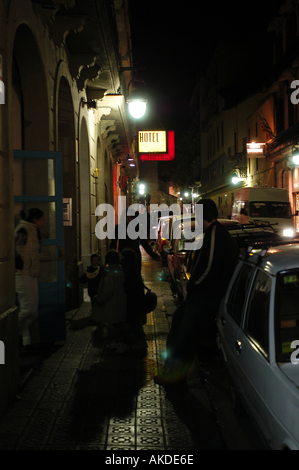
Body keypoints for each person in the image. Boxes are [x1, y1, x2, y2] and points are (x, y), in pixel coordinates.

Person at [154, 199, 238, 385]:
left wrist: (194, 285)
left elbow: (209, 267)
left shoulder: (215, 234)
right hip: (201, 294)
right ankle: (173, 371)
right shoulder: (210, 233)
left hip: (204, 296)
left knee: (185, 335)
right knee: (180, 327)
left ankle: (174, 375)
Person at [15, 208, 45, 350]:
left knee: (32, 312)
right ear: (35, 219)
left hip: (31, 274)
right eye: (42, 219)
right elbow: (10, 246)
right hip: (23, 274)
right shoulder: (23, 230)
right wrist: (16, 261)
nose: (43, 222)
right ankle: (9, 337)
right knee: (29, 311)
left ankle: (28, 344)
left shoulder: (33, 230)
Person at [90, 250, 127, 352]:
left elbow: (107, 290)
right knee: (117, 323)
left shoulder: (109, 273)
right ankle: (119, 342)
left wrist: (99, 299)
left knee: (117, 324)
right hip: (120, 300)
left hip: (113, 302)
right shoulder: (120, 271)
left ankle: (122, 343)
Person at [121, 248, 148, 351]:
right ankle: (135, 341)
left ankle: (140, 342)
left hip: (133, 302)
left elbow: (128, 288)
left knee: (134, 324)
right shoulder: (134, 270)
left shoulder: (128, 272)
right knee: (134, 324)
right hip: (136, 302)